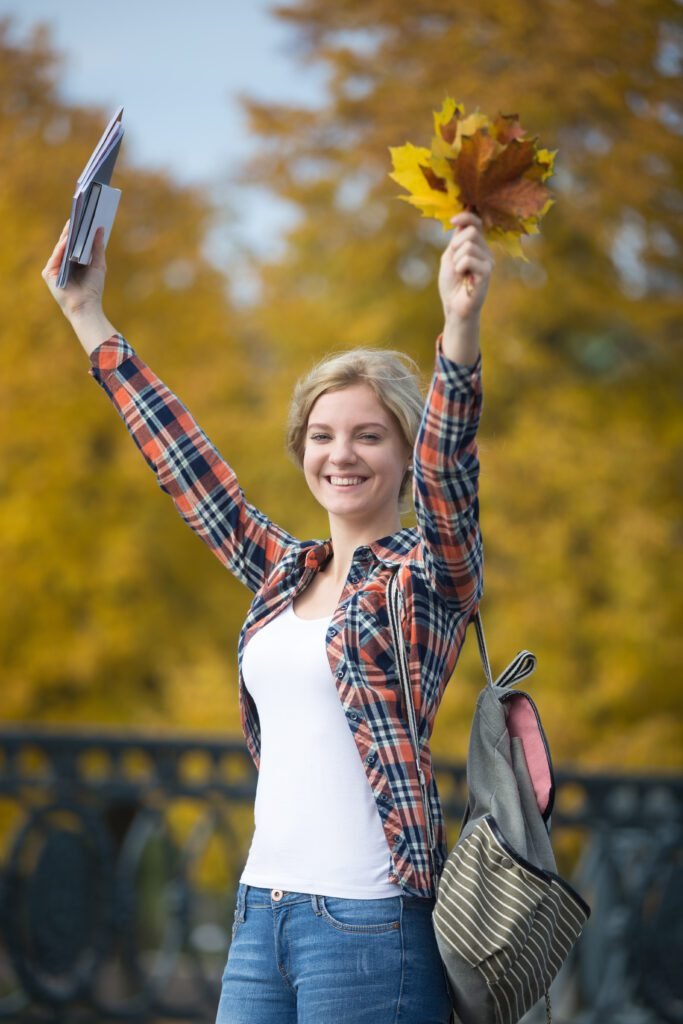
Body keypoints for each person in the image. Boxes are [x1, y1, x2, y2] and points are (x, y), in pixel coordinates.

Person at [42, 209, 493, 1024]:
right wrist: (87, 315)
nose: (341, 454)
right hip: (260, 915)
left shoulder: (424, 580)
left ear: (401, 450)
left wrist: (458, 328)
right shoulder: (286, 572)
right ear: (301, 450)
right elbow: (187, 467)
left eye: (368, 436)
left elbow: (448, 473)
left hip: (369, 924)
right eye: (321, 435)